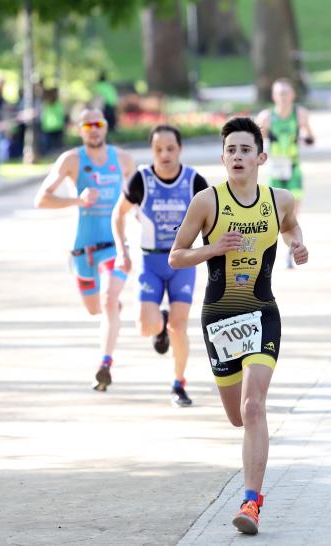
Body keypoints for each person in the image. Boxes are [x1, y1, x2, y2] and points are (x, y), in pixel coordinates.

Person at [168, 117, 308, 535]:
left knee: (253, 406)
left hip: (262, 312)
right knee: (237, 416)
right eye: (231, 150)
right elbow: (176, 256)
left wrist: (297, 243)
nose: (238, 156)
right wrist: (212, 247)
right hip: (220, 316)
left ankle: (251, 502)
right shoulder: (207, 202)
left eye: (246, 149)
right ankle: (251, 480)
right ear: (223, 157)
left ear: (261, 157)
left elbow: (290, 226)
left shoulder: (280, 199)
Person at [33, 108, 136, 392]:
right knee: (95, 309)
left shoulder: (124, 160)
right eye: (88, 124)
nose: (94, 129)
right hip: (81, 250)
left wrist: (141, 215)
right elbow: (41, 199)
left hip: (113, 245)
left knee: (106, 299)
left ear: (105, 126)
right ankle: (111, 307)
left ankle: (105, 364)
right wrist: (77, 201)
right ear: (80, 129)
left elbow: (140, 195)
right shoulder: (71, 160)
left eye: (99, 123)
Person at [111, 125, 208, 407]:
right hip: (150, 261)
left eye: (170, 149)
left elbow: (212, 217)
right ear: (152, 151)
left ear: (180, 149)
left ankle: (179, 384)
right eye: (158, 149)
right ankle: (160, 323)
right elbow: (118, 215)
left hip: (182, 261)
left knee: (180, 328)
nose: (164, 155)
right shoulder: (141, 180)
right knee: (145, 326)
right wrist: (122, 250)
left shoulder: (194, 181)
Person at [255, 78, 314, 268]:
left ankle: (291, 250)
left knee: (294, 212)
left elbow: (311, 137)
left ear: (293, 95)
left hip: (294, 169)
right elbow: (254, 142)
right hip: (276, 170)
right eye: (280, 94)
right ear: (274, 96)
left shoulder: (301, 115)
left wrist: (305, 139)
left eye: (286, 93)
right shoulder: (266, 117)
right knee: (275, 216)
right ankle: (269, 251)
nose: (283, 97)